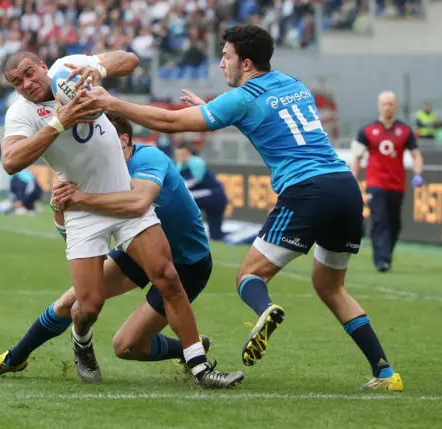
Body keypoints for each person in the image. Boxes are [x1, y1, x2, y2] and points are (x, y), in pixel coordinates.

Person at [85, 24, 403, 391]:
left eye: (226, 56)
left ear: (246, 62)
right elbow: (270, 122)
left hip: (306, 191)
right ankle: (385, 373)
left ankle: (264, 309)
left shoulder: (242, 97)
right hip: (345, 188)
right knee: (331, 287)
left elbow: (170, 122)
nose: (221, 63)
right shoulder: (294, 84)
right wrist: (211, 110)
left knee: (249, 276)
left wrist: (112, 103)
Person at [0, 50, 239, 388]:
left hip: (120, 193)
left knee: (167, 275)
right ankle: (82, 342)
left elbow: (130, 59)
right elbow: (10, 161)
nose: (26, 85)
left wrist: (96, 67)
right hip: (81, 209)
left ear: (42, 66)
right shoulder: (20, 113)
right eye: (16, 82)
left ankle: (201, 368)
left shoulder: (69, 70)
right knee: (88, 304)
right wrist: (58, 122)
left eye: (29, 74)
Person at [350, 91, 424, 273]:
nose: (387, 107)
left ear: (395, 105)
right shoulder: (367, 131)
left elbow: (416, 154)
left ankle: (387, 255)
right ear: (379, 106)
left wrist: (418, 173)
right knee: (379, 219)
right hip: (376, 184)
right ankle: (381, 260)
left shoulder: (405, 131)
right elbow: (357, 156)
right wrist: (353, 179)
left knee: (394, 222)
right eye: (384, 104)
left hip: (396, 184)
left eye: (390, 103)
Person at [173, 141, 228, 241]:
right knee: (216, 235)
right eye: (177, 155)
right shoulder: (180, 165)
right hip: (213, 198)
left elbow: (193, 181)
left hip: (215, 197)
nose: (179, 157)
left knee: (181, 203)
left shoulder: (195, 161)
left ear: (189, 153)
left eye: (182, 154)